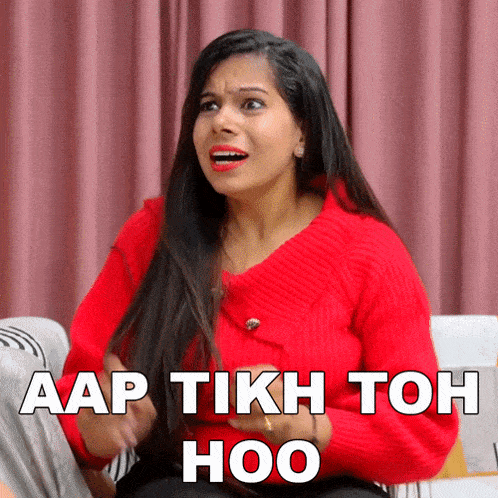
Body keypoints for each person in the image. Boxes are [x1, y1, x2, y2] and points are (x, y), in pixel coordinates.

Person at [2, 29, 458, 498]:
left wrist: (311, 426)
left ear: (303, 132)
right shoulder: (151, 236)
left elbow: (423, 428)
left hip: (325, 480)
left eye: (251, 104)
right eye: (208, 105)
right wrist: (92, 430)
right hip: (185, 480)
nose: (221, 121)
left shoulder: (370, 249)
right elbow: (77, 394)